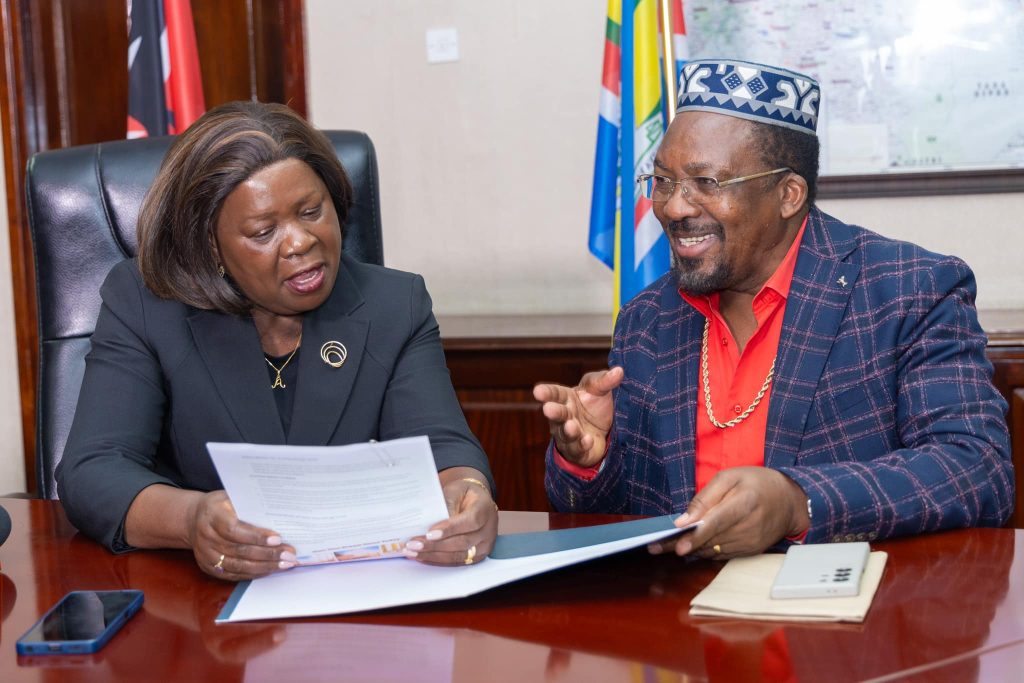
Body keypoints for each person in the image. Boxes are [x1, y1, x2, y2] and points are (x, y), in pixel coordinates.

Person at [534, 58, 1014, 559]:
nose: (674, 207)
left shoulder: (906, 290)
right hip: (677, 619)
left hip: (844, 623)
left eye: (707, 183)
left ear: (788, 194)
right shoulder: (646, 319)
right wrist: (589, 461)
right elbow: (607, 519)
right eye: (664, 181)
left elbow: (975, 469)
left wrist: (797, 501)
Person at [56, 101, 497, 579]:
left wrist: (468, 493)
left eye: (311, 211)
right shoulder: (147, 303)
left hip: (364, 591)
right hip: (198, 610)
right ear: (210, 246)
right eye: (263, 231)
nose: (300, 242)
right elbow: (93, 470)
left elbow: (445, 450)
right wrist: (191, 521)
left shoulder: (395, 304)